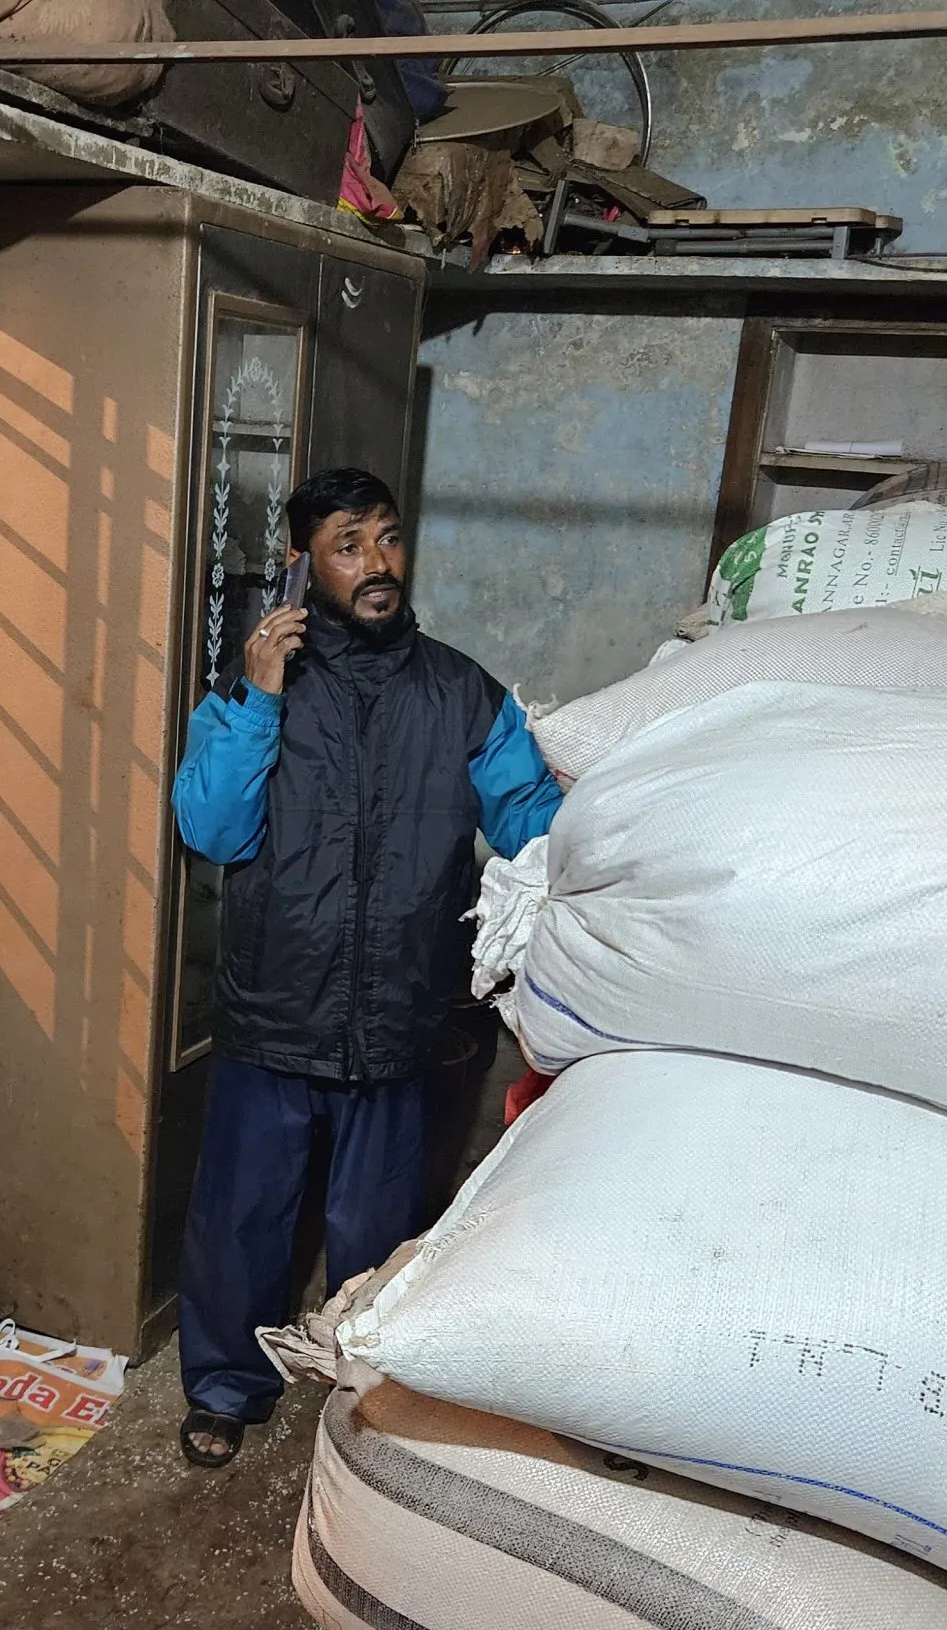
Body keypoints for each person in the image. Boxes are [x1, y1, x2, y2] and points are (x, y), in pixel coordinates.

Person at [169, 467, 562, 1468]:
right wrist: (260, 702)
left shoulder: (461, 693)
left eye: (386, 538)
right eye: (348, 546)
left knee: (377, 1228)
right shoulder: (253, 692)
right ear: (303, 565)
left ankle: (366, 1396)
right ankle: (226, 1386)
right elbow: (211, 828)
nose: (377, 563)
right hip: (275, 1004)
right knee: (243, 1218)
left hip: (401, 1010)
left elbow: (533, 826)